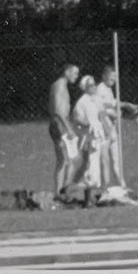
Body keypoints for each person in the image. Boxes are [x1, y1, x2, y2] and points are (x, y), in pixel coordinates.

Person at [47, 63, 81, 193]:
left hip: (61, 125)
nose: (76, 76)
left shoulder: (61, 85)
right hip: (59, 126)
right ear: (67, 72)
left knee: (67, 160)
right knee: (67, 160)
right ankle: (61, 192)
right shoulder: (60, 85)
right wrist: (69, 129)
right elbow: (57, 110)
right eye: (75, 73)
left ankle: (61, 191)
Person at [71, 75, 107, 189]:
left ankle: (75, 185)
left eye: (94, 84)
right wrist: (87, 124)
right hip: (88, 135)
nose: (94, 86)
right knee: (91, 160)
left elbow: (101, 113)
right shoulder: (82, 102)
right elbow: (76, 118)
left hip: (97, 133)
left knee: (90, 161)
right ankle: (91, 183)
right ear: (85, 87)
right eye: (91, 85)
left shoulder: (95, 99)